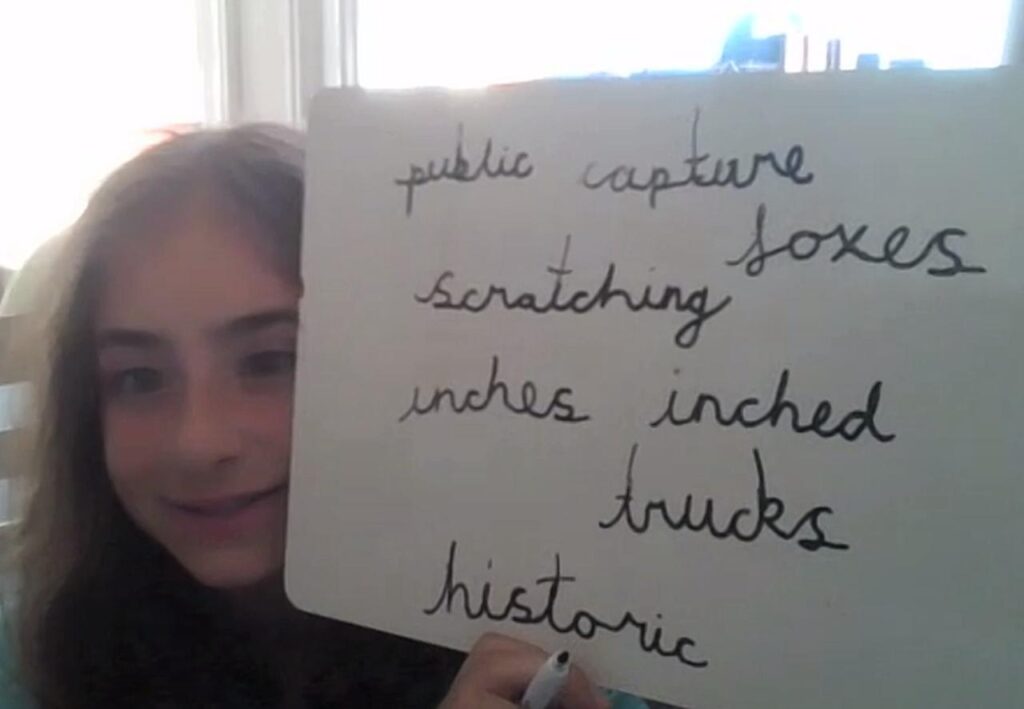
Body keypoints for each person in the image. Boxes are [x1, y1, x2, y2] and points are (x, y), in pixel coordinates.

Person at [0, 125, 645, 708]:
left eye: (271, 361)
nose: (199, 442)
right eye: (139, 378)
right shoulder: (35, 654)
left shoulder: (543, 646)